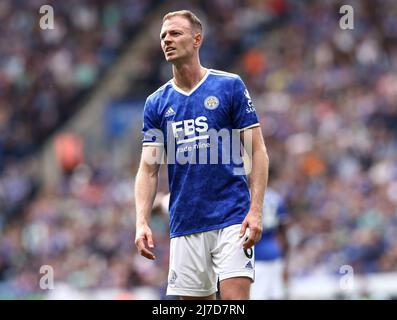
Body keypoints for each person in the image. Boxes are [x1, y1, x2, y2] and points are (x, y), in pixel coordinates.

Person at [134, 10, 269, 300]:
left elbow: (257, 152)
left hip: (232, 217)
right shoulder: (156, 103)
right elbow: (148, 169)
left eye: (175, 33)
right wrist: (141, 221)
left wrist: (256, 210)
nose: (166, 40)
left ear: (197, 39)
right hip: (185, 222)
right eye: (163, 36)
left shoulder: (229, 86)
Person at [250, 165, 291, 300]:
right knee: (275, 295)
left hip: (254, 254)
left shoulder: (247, 196)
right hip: (275, 253)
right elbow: (283, 233)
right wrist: (286, 261)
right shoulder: (276, 198)